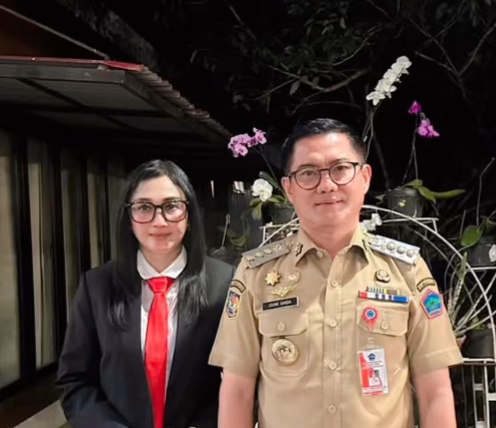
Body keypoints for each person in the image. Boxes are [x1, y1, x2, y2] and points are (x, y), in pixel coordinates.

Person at [209, 118, 462, 428]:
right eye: (308, 173)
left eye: (340, 169)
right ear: (288, 189)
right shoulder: (256, 274)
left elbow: (435, 391)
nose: (326, 185)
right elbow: (237, 392)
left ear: (365, 177)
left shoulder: (406, 270)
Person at [56, 159, 235, 428]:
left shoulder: (225, 283)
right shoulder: (97, 286)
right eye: (144, 207)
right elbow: (75, 379)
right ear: (128, 218)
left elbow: (240, 377)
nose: (159, 221)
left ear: (189, 215)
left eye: (171, 206)